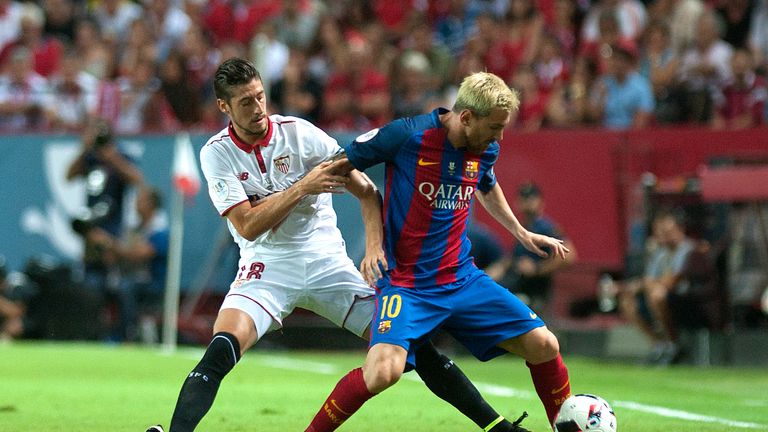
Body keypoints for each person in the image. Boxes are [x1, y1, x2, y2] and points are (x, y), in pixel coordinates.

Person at [147, 58, 531, 432]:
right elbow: (247, 226)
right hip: (267, 264)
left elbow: (366, 190)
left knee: (409, 348)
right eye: (245, 102)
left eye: (260, 96)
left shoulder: (300, 134)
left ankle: (496, 427)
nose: (258, 107)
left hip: (328, 262)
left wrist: (374, 246)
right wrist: (303, 187)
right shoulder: (216, 152)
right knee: (221, 348)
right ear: (224, 107)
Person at [305, 72, 572, 432]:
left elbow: (486, 184)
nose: (500, 137)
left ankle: (565, 426)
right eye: (494, 127)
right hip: (406, 284)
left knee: (544, 344)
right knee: (384, 372)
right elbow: (340, 165)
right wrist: (372, 238)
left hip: (461, 279)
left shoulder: (485, 147)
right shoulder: (407, 135)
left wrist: (520, 232)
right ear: (466, 118)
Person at [66, 118, 143, 341]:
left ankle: (121, 335)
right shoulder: (90, 158)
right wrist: (84, 148)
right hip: (90, 229)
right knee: (90, 284)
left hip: (113, 229)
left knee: (115, 285)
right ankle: (91, 333)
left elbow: (136, 178)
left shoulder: (120, 155)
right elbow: (69, 175)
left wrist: (112, 157)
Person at [83, 185, 169, 343]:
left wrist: (109, 242)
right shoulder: (135, 229)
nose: (136, 203)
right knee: (97, 285)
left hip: (151, 284)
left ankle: (127, 334)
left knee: (126, 288)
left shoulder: (160, 231)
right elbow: (118, 256)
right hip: (128, 278)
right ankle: (99, 333)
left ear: (151, 205)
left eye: (140, 200)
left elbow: (138, 255)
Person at [486, 182, 577, 316]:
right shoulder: (523, 229)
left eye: (531, 198)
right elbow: (511, 260)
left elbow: (569, 256)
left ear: (540, 201)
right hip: (515, 286)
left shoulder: (545, 227)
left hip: (533, 293)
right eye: (523, 198)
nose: (527, 202)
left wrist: (537, 268)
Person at [617, 210, 695, 365]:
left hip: (688, 300)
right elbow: (648, 279)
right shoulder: (661, 253)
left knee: (657, 294)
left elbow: (672, 281)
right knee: (629, 299)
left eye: (668, 231)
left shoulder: (689, 250)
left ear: (680, 229)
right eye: (660, 232)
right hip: (659, 297)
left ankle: (673, 344)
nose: (664, 236)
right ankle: (659, 344)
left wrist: (648, 284)